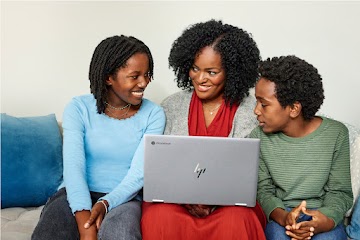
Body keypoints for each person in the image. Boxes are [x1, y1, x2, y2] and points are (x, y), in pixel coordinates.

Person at [141, 19, 266, 240]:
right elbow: (160, 165)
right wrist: (186, 198)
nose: (200, 79)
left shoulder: (251, 111)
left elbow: (255, 172)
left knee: (237, 219)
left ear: (231, 72)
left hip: (229, 205)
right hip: (178, 203)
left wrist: (216, 199)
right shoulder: (172, 105)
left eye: (211, 72)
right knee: (158, 216)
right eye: (195, 68)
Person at [32, 35, 166, 240]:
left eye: (147, 74)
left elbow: (139, 173)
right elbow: (74, 167)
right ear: (108, 78)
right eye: (135, 76)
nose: (144, 83)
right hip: (74, 193)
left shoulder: (153, 114)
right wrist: (87, 228)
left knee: (120, 232)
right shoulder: (78, 108)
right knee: (53, 228)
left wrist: (106, 203)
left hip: (124, 199)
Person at [250, 55, 353, 240]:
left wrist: (325, 220)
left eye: (264, 104)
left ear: (294, 109)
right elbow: (262, 190)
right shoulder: (258, 137)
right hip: (282, 215)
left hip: (322, 213)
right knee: (277, 236)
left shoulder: (337, 134)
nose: (256, 110)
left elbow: (340, 192)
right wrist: (284, 217)